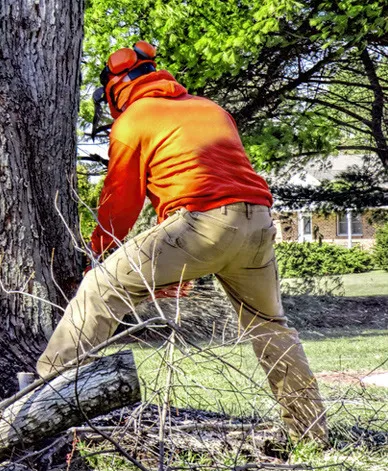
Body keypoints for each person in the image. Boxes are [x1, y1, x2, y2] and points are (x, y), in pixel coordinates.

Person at [36, 41, 327, 443]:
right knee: (269, 326)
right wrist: (173, 265)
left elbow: (121, 203)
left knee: (100, 289)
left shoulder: (134, 119)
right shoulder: (211, 109)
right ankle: (309, 429)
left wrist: (98, 253)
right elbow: (197, 179)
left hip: (202, 221)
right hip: (258, 222)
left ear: (116, 90)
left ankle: (37, 401)